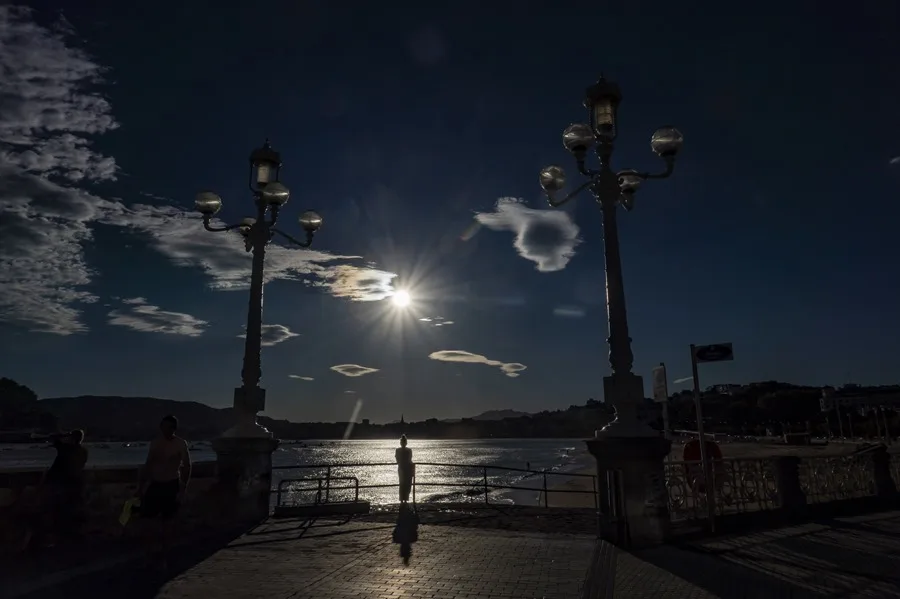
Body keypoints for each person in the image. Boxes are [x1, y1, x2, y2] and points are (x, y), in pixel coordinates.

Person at [137, 415, 191, 570]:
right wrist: (141, 487)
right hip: (155, 484)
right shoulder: (155, 443)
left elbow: (187, 466)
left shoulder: (180, 444)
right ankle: (149, 555)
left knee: (168, 524)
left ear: (173, 428)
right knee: (147, 522)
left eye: (167, 427)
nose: (164, 429)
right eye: (162, 426)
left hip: (171, 485)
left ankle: (164, 557)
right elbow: (148, 464)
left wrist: (183, 488)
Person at [38, 429, 88, 546]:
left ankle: (55, 538)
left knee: (56, 511)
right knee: (69, 512)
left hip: (62, 483)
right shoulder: (83, 451)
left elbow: (55, 441)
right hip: (74, 483)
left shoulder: (66, 449)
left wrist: (62, 435)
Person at [395, 435, 414, 504]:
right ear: (406, 443)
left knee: (402, 484)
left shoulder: (397, 450)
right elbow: (410, 459)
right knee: (407, 484)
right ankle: (405, 499)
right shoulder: (409, 450)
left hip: (401, 468)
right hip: (408, 468)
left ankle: (402, 500)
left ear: (401, 442)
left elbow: (397, 460)